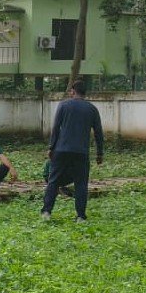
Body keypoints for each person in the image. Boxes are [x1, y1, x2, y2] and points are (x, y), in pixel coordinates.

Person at [41, 80, 104, 223]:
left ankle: (46, 212)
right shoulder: (92, 109)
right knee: (81, 183)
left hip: (61, 149)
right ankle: (80, 216)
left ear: (73, 91)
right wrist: (100, 153)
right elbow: (98, 133)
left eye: (70, 91)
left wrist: (51, 147)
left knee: (53, 181)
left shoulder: (63, 105)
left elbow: (56, 128)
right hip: (81, 152)